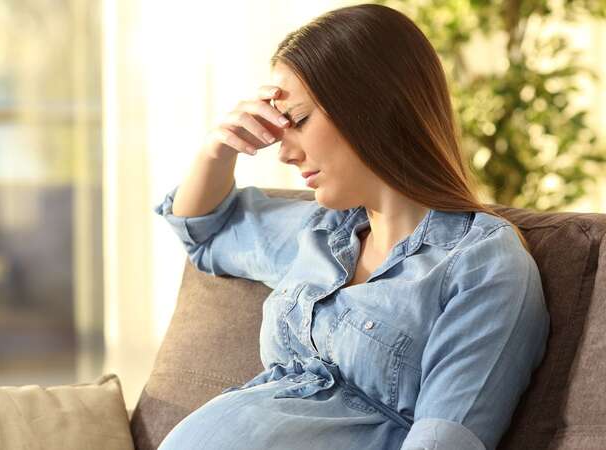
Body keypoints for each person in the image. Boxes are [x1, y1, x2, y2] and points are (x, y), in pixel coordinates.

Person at [153, 4, 550, 450]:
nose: (284, 153)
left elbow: (444, 440)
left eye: (299, 121)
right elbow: (203, 230)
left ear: (370, 107)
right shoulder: (321, 233)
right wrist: (217, 150)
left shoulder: (481, 265)